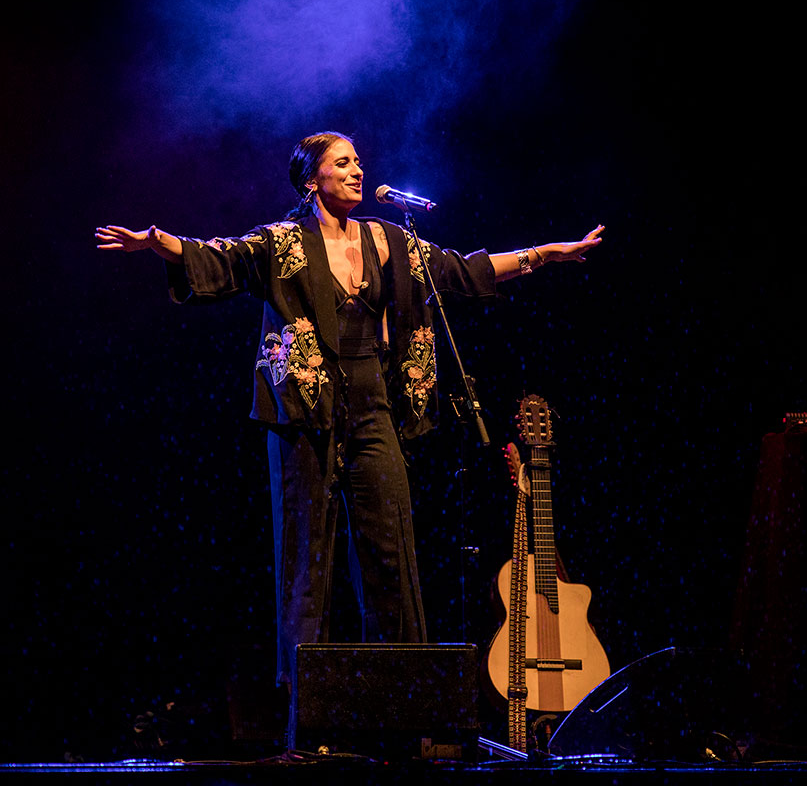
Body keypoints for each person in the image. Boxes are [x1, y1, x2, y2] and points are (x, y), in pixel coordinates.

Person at [96, 131, 604, 692]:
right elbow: (222, 257)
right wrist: (158, 242)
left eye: (359, 161)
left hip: (374, 405)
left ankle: (405, 703)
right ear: (312, 180)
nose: (358, 171)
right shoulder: (283, 241)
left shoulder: (392, 239)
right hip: (305, 406)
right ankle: (304, 715)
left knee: (392, 548)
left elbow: (462, 271)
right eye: (343, 163)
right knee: (307, 560)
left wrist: (545, 255)